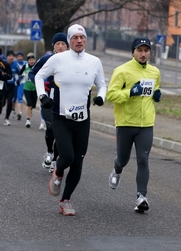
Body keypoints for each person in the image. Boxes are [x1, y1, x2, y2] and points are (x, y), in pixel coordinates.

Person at [34, 24, 107, 216]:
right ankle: (57, 172)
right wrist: (42, 96)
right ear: (69, 40)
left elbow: (102, 85)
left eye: (82, 37)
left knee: (78, 162)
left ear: (86, 40)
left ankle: (65, 200)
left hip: (83, 119)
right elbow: (39, 75)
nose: (79, 41)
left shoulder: (94, 61)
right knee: (67, 156)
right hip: (61, 117)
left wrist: (101, 97)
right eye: (75, 38)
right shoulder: (58, 59)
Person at [106, 37, 161, 213]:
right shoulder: (122, 71)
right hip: (126, 122)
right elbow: (111, 95)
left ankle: (141, 197)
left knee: (143, 160)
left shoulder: (154, 72)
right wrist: (131, 92)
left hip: (146, 124)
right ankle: (117, 169)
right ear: (133, 52)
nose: (143, 54)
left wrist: (156, 95)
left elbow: (154, 90)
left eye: (146, 50)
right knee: (123, 159)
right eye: (140, 50)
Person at [29, 32, 69, 173]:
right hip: (48, 99)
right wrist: (41, 88)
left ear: (67, 46)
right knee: (50, 128)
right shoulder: (47, 59)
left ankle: (55, 159)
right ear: (53, 46)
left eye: (63, 44)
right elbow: (33, 73)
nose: (60, 47)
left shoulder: (72, 61)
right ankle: (49, 152)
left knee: (60, 132)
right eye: (57, 44)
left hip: (65, 101)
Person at [18, 53, 37, 128]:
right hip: (27, 87)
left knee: (34, 105)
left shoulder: (37, 66)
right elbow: (20, 73)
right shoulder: (25, 66)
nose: (31, 61)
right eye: (30, 60)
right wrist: (22, 76)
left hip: (35, 88)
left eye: (33, 60)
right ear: (28, 61)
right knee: (29, 103)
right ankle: (28, 120)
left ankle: (31, 109)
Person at [3, 50, 17, 126]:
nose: (11, 57)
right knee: (2, 102)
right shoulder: (3, 64)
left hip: (12, 86)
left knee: (10, 102)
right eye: (10, 56)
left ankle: (6, 119)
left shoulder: (15, 64)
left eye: (12, 56)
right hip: (4, 85)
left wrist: (18, 80)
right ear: (7, 57)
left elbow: (20, 72)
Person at [12, 51, 27, 120]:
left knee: (19, 97)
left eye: (21, 56)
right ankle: (13, 110)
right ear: (17, 57)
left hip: (22, 82)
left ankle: (19, 112)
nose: (20, 58)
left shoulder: (25, 63)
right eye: (18, 56)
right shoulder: (14, 63)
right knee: (14, 98)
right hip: (15, 82)